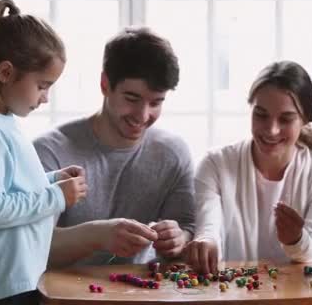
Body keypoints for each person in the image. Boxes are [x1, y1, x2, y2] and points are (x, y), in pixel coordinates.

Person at [0, 0, 87, 304]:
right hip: (6, 283)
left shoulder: (1, 122)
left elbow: (14, 184)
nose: (45, 98)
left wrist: (53, 180)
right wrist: (56, 197)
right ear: (5, 72)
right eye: (42, 85)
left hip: (20, 275)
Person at [33, 27, 195, 267]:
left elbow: (189, 228)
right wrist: (98, 236)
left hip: (137, 294)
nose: (143, 115)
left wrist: (179, 238)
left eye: (156, 102)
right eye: (132, 99)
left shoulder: (174, 155)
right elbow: (29, 246)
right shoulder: (49, 152)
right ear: (105, 84)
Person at [184, 61, 312, 274]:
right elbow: (209, 230)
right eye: (261, 114)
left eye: (285, 119)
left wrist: (296, 239)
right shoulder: (215, 164)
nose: (272, 130)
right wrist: (205, 243)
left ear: (305, 119)